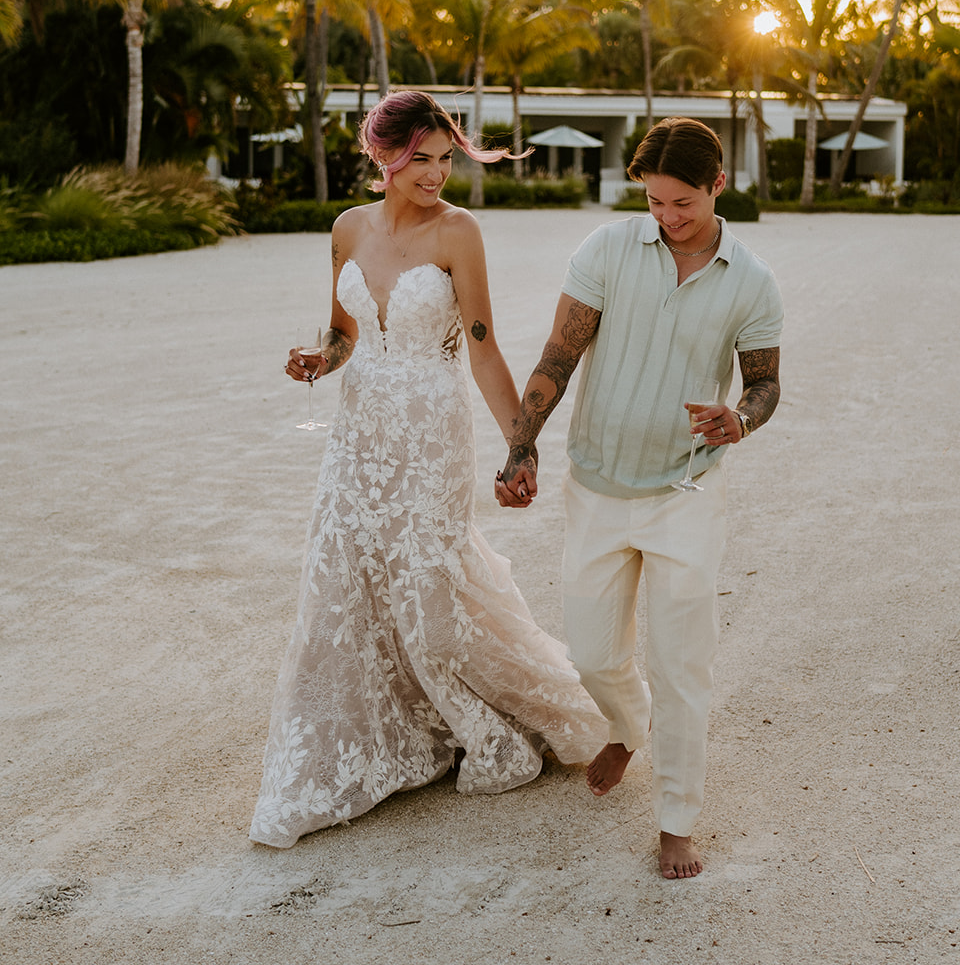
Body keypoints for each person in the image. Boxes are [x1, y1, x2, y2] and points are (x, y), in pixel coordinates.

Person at [250, 91, 605, 849]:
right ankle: (370, 741)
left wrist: (520, 444)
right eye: (422, 159)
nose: (437, 173)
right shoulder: (347, 228)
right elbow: (344, 334)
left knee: (429, 588)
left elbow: (482, 347)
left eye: (446, 159)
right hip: (358, 438)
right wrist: (318, 359)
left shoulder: (458, 232)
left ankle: (494, 721)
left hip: (430, 434)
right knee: (347, 577)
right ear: (383, 154)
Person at [495, 117, 783, 880]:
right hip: (596, 485)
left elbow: (763, 382)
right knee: (592, 654)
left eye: (681, 203)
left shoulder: (751, 280)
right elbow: (559, 354)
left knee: (681, 663)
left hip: (686, 490)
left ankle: (676, 822)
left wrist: (740, 419)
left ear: (718, 185)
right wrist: (521, 445)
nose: (666, 217)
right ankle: (628, 723)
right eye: (654, 202)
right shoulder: (606, 249)